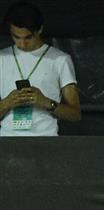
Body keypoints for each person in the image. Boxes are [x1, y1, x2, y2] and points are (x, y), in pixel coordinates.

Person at [0, 2, 79, 136]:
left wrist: (46, 102)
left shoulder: (60, 60)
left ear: (40, 29)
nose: (22, 43)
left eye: (28, 37)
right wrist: (6, 103)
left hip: (45, 140)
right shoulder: (2, 58)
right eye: (16, 37)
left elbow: (75, 115)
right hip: (7, 140)